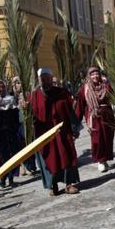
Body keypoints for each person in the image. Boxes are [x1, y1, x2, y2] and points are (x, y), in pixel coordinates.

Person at [30, 68, 81, 196]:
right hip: (44, 135)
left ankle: (69, 184)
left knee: (67, 156)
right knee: (49, 159)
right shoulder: (33, 96)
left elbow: (70, 112)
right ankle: (52, 186)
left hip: (63, 132)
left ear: (52, 79)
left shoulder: (62, 93)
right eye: (43, 78)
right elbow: (26, 117)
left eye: (48, 78)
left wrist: (75, 128)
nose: (45, 80)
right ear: (39, 80)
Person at [76, 67, 115, 173]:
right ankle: (100, 161)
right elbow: (80, 106)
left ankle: (105, 159)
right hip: (94, 118)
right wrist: (76, 122)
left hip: (107, 116)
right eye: (92, 74)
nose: (95, 76)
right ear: (89, 76)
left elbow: (114, 97)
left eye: (97, 74)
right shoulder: (84, 89)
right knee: (97, 140)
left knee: (107, 139)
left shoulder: (106, 86)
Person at [0, 79, 22, 188]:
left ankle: (11, 178)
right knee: (2, 157)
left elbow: (15, 116)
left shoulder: (11, 99)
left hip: (11, 132)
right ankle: (2, 178)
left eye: (2, 86)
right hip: (0, 134)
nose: (1, 89)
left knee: (12, 154)